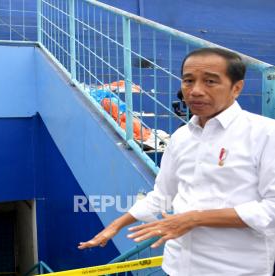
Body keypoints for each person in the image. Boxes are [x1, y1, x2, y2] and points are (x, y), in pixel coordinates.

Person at [78, 47, 275, 276]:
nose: (196, 91)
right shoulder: (181, 137)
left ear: (236, 88)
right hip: (178, 266)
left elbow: (271, 209)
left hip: (235, 269)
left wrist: (194, 219)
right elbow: (162, 195)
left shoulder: (265, 134)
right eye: (188, 81)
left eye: (210, 81)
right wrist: (116, 225)